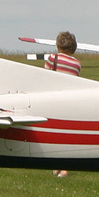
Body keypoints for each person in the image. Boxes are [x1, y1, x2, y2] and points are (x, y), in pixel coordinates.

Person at [44, 31, 80, 177]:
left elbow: (44, 77)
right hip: (70, 102)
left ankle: (57, 165)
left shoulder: (53, 58)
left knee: (53, 135)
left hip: (54, 100)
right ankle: (64, 167)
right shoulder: (77, 64)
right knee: (67, 136)